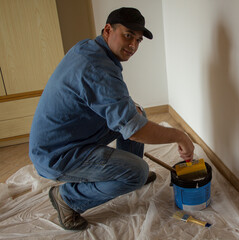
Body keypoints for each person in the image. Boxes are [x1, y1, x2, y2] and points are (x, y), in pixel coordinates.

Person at [29, 7, 194, 231]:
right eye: (128, 36)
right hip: (57, 155)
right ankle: (67, 198)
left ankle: (127, 170)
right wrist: (180, 136)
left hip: (71, 135)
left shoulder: (91, 48)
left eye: (138, 40)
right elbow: (135, 131)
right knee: (137, 170)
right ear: (108, 30)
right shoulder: (97, 68)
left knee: (137, 113)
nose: (133, 46)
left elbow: (121, 111)